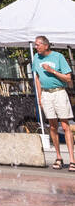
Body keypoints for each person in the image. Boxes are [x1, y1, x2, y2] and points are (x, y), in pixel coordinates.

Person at [32, 35, 75, 171]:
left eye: (38, 44)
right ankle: (58, 156)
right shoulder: (36, 58)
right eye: (35, 44)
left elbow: (68, 78)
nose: (36, 46)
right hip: (46, 93)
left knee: (65, 125)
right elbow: (37, 78)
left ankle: (72, 159)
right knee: (52, 126)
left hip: (59, 92)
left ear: (46, 45)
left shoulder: (58, 57)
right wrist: (39, 96)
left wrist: (52, 71)